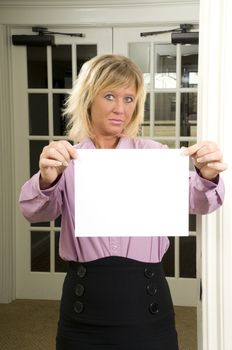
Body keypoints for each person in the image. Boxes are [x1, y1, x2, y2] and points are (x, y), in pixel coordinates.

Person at [19, 54, 226, 350]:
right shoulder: (66, 159)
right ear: (89, 98)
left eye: (129, 98)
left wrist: (206, 173)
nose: (120, 109)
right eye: (110, 96)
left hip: (147, 302)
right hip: (83, 306)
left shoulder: (154, 155)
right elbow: (34, 211)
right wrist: (47, 178)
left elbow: (201, 202)